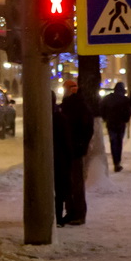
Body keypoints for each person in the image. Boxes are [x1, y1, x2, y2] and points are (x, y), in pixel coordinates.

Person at [59, 80, 93, 226]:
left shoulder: (76, 106)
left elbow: (86, 129)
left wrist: (81, 144)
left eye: (66, 88)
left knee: (75, 183)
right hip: (71, 149)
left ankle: (77, 213)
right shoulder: (71, 105)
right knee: (70, 183)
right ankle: (72, 212)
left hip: (74, 150)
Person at [99, 81, 131, 172]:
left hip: (111, 123)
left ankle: (115, 162)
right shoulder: (125, 99)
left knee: (113, 143)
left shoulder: (108, 98)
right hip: (121, 123)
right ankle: (118, 162)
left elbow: (101, 109)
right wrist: (125, 119)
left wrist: (106, 118)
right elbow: (128, 112)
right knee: (119, 142)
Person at [51, 93, 72, 227]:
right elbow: (66, 141)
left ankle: (48, 216)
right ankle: (58, 217)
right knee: (59, 189)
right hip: (59, 159)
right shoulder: (60, 118)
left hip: (44, 160)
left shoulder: (39, 117)